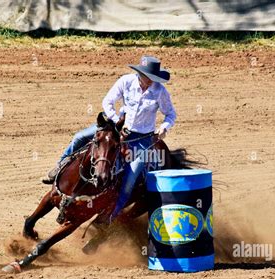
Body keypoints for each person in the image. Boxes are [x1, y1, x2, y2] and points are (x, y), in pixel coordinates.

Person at [42, 55, 176, 220]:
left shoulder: (160, 91)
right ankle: (59, 167)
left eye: (152, 77)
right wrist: (117, 121)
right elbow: (107, 102)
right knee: (79, 137)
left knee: (131, 176)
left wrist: (164, 127)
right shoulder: (126, 81)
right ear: (139, 73)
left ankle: (111, 214)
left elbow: (170, 114)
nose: (148, 80)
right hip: (116, 126)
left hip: (141, 139)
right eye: (146, 76)